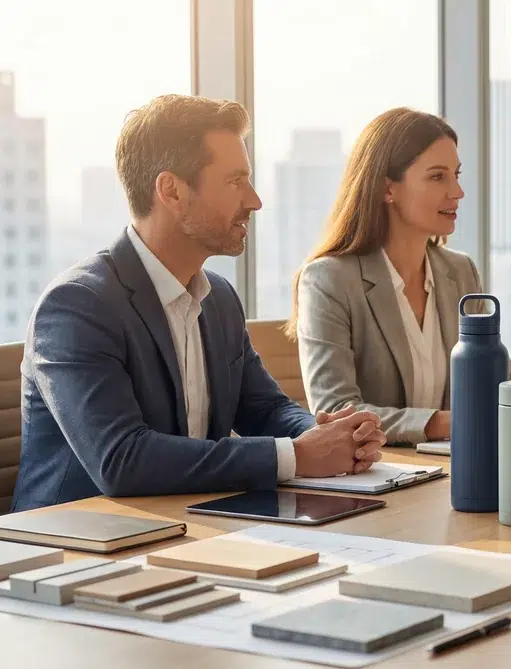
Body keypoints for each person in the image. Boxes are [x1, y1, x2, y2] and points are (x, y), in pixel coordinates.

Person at [12, 95, 386, 512]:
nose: (254, 201)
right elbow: (120, 460)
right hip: (71, 550)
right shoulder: (77, 306)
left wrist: (332, 435)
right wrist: (298, 456)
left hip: (186, 528)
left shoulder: (219, 298)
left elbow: (264, 408)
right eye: (234, 181)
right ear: (171, 190)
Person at [290, 107, 511, 447]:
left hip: (458, 469)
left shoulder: (461, 271)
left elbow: (500, 383)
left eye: (457, 174)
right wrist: (444, 423)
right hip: (379, 473)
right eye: (438, 177)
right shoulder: (329, 280)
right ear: (387, 189)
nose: (457, 192)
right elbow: (336, 408)